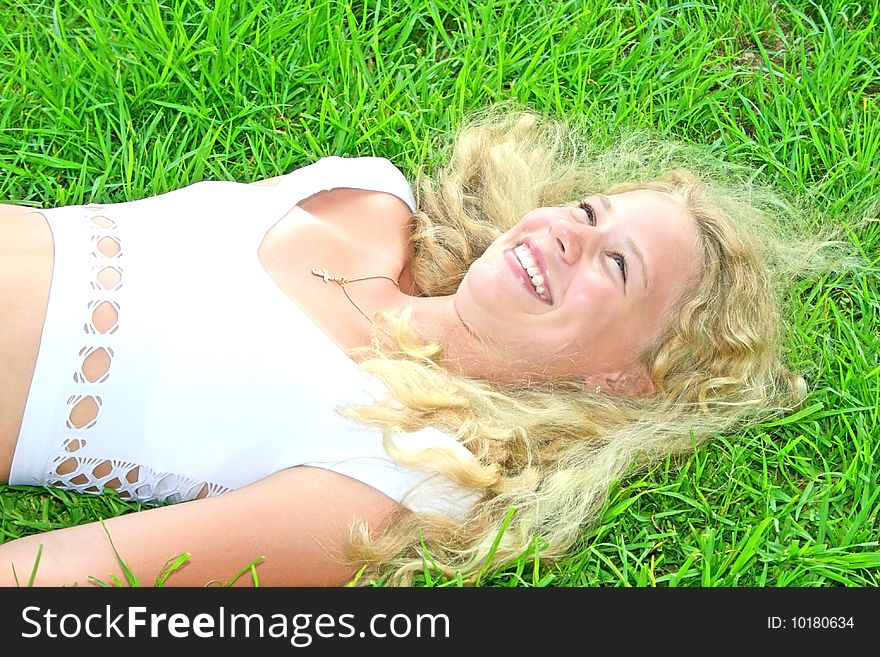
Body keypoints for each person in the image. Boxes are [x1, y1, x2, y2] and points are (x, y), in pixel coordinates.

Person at [0, 106, 845, 587]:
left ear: (624, 376)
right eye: (589, 213)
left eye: (616, 265)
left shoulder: (395, 468)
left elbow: (69, 580)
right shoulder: (368, 196)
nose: (566, 237)